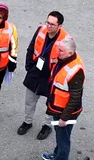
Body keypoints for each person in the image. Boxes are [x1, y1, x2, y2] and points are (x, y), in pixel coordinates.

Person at [17, 11, 67, 140]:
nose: (48, 26)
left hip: (51, 77)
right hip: (35, 71)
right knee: (29, 101)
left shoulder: (65, 40)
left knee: (50, 104)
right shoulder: (41, 30)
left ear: (59, 26)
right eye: (47, 22)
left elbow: (67, 61)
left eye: (52, 24)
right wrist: (29, 66)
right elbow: (31, 47)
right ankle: (27, 122)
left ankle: (47, 126)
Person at [42, 35, 83, 160]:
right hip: (58, 107)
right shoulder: (65, 60)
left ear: (70, 53)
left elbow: (75, 97)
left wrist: (64, 118)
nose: (58, 52)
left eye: (61, 51)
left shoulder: (76, 70)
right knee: (60, 135)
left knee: (63, 138)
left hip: (65, 112)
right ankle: (57, 154)